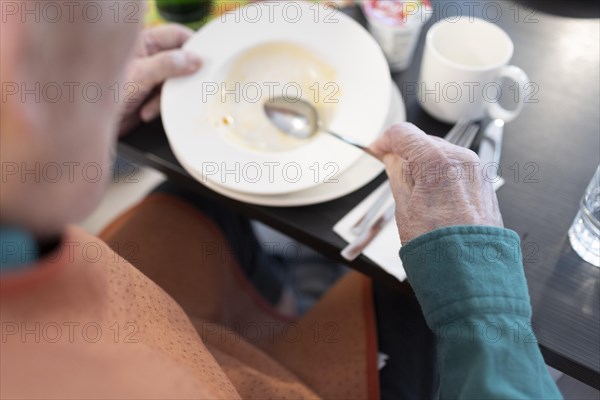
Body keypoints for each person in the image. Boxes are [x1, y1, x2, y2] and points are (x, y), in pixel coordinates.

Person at [1, 2, 562, 399]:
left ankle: (273, 301)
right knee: (415, 298)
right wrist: (484, 300)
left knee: (203, 196)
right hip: (215, 373)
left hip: (132, 310)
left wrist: (68, 130)